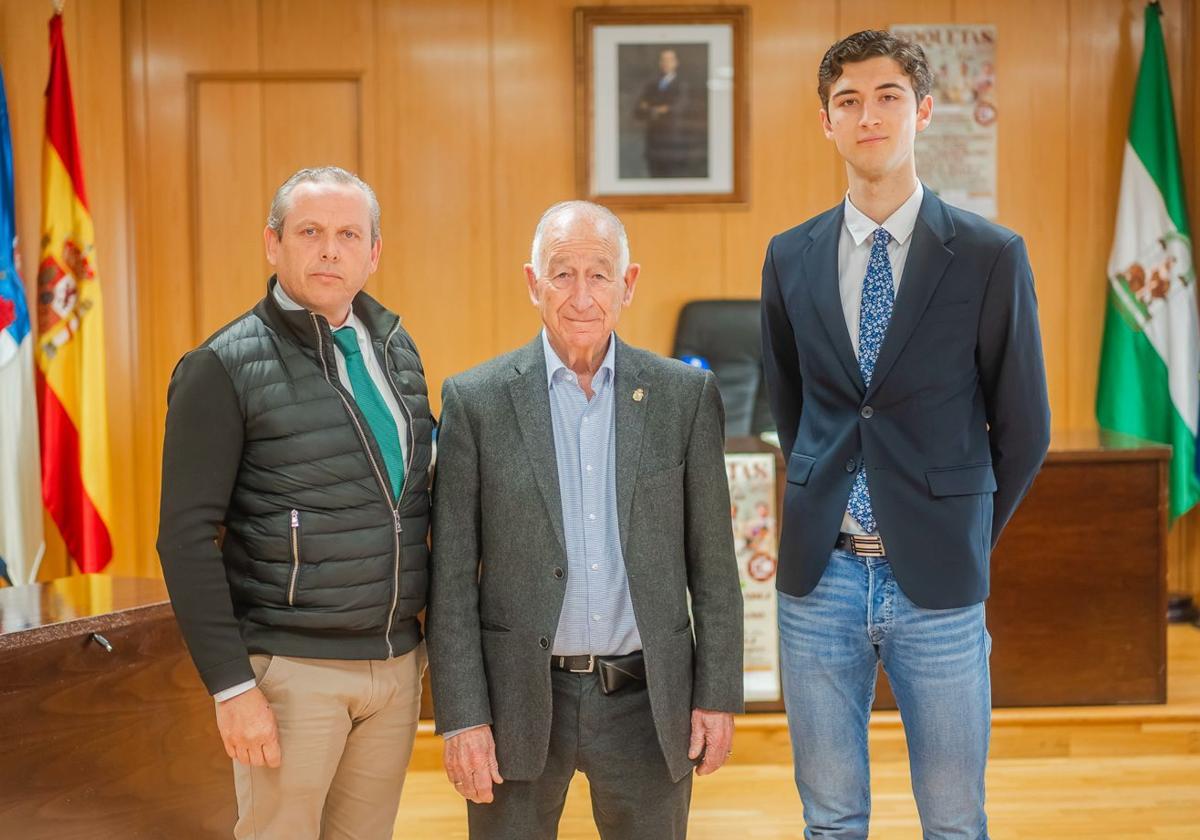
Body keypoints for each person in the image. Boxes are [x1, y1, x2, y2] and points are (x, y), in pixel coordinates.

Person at [760, 30, 1051, 839]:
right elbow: (798, 413)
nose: (869, 114)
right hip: (821, 580)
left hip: (940, 585)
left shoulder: (991, 256)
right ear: (827, 122)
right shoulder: (790, 257)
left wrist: (960, 534)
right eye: (847, 100)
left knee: (955, 820)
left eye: (887, 96)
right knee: (829, 819)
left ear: (922, 109)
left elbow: (1024, 427)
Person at [426, 200, 743, 839]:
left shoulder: (683, 398)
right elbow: (451, 580)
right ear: (532, 283)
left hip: (646, 703)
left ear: (627, 285)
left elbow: (713, 565)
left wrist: (716, 694)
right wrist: (462, 716)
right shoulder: (476, 402)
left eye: (599, 274)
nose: (580, 295)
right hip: (517, 699)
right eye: (561, 273)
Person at [157, 166, 433, 839]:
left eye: (348, 234)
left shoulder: (397, 351)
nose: (329, 249)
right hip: (290, 677)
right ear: (272, 244)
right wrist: (232, 687)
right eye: (310, 232)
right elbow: (185, 539)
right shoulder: (221, 367)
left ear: (374, 254)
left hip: (395, 667)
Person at [635, 48, 690, 177]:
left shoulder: (682, 85)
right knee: (654, 174)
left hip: (673, 140)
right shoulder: (651, 85)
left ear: (676, 62)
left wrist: (653, 108)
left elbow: (679, 107)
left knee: (672, 175)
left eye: (670, 60)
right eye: (663, 60)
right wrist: (658, 109)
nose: (666, 63)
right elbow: (639, 110)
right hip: (653, 141)